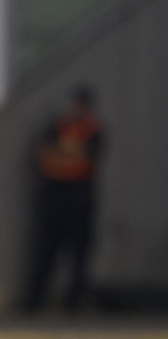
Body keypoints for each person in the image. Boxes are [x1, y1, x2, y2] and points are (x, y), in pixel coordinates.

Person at [24, 84, 104, 311]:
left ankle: (73, 303)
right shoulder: (58, 126)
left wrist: (60, 154)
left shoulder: (93, 130)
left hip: (79, 199)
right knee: (44, 250)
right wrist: (68, 154)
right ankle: (34, 301)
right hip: (53, 197)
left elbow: (86, 160)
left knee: (79, 254)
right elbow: (43, 155)